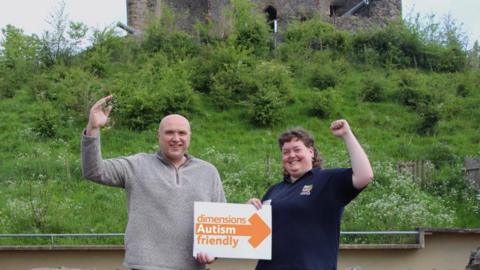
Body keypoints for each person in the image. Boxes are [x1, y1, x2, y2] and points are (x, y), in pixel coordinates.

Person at [81, 95, 225, 270]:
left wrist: (213, 254)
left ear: (189, 137)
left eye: (182, 133)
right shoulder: (136, 165)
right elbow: (94, 171)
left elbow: (220, 223)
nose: (176, 138)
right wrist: (93, 129)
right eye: (169, 132)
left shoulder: (208, 172)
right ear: (158, 136)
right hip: (144, 267)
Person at [248, 119, 373, 270]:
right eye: (286, 152)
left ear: (311, 152)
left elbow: (365, 176)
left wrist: (347, 134)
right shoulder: (274, 191)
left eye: (297, 149)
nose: (291, 155)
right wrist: (248, 214)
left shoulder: (327, 180)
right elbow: (257, 237)